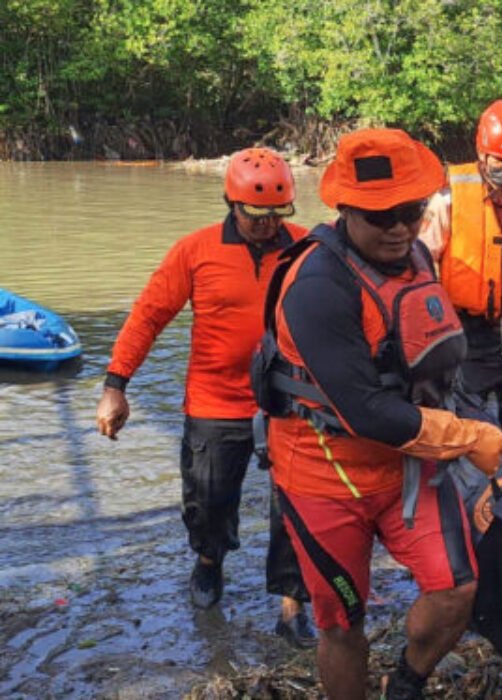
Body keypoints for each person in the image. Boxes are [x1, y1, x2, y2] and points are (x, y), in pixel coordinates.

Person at [258, 128, 502, 699]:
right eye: (381, 216)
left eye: (411, 211)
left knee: (457, 590)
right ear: (346, 210)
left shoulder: (416, 253)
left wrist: (468, 423)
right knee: (344, 624)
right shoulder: (317, 285)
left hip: (409, 468)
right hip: (324, 473)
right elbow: (365, 411)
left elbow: (434, 356)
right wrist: (470, 436)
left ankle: (407, 681)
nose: (399, 227)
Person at [95, 148, 315, 646]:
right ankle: (210, 561)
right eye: (256, 215)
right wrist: (116, 385)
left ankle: (291, 605)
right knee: (209, 503)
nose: (267, 225)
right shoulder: (194, 251)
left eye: (277, 214)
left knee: (299, 507)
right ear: (231, 203)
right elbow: (149, 315)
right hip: (216, 401)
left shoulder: (307, 249)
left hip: (290, 399)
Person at [419, 99, 502, 456]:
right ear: (482, 152)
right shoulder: (448, 200)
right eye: (500, 160)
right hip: (468, 337)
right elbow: (418, 263)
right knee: (468, 438)